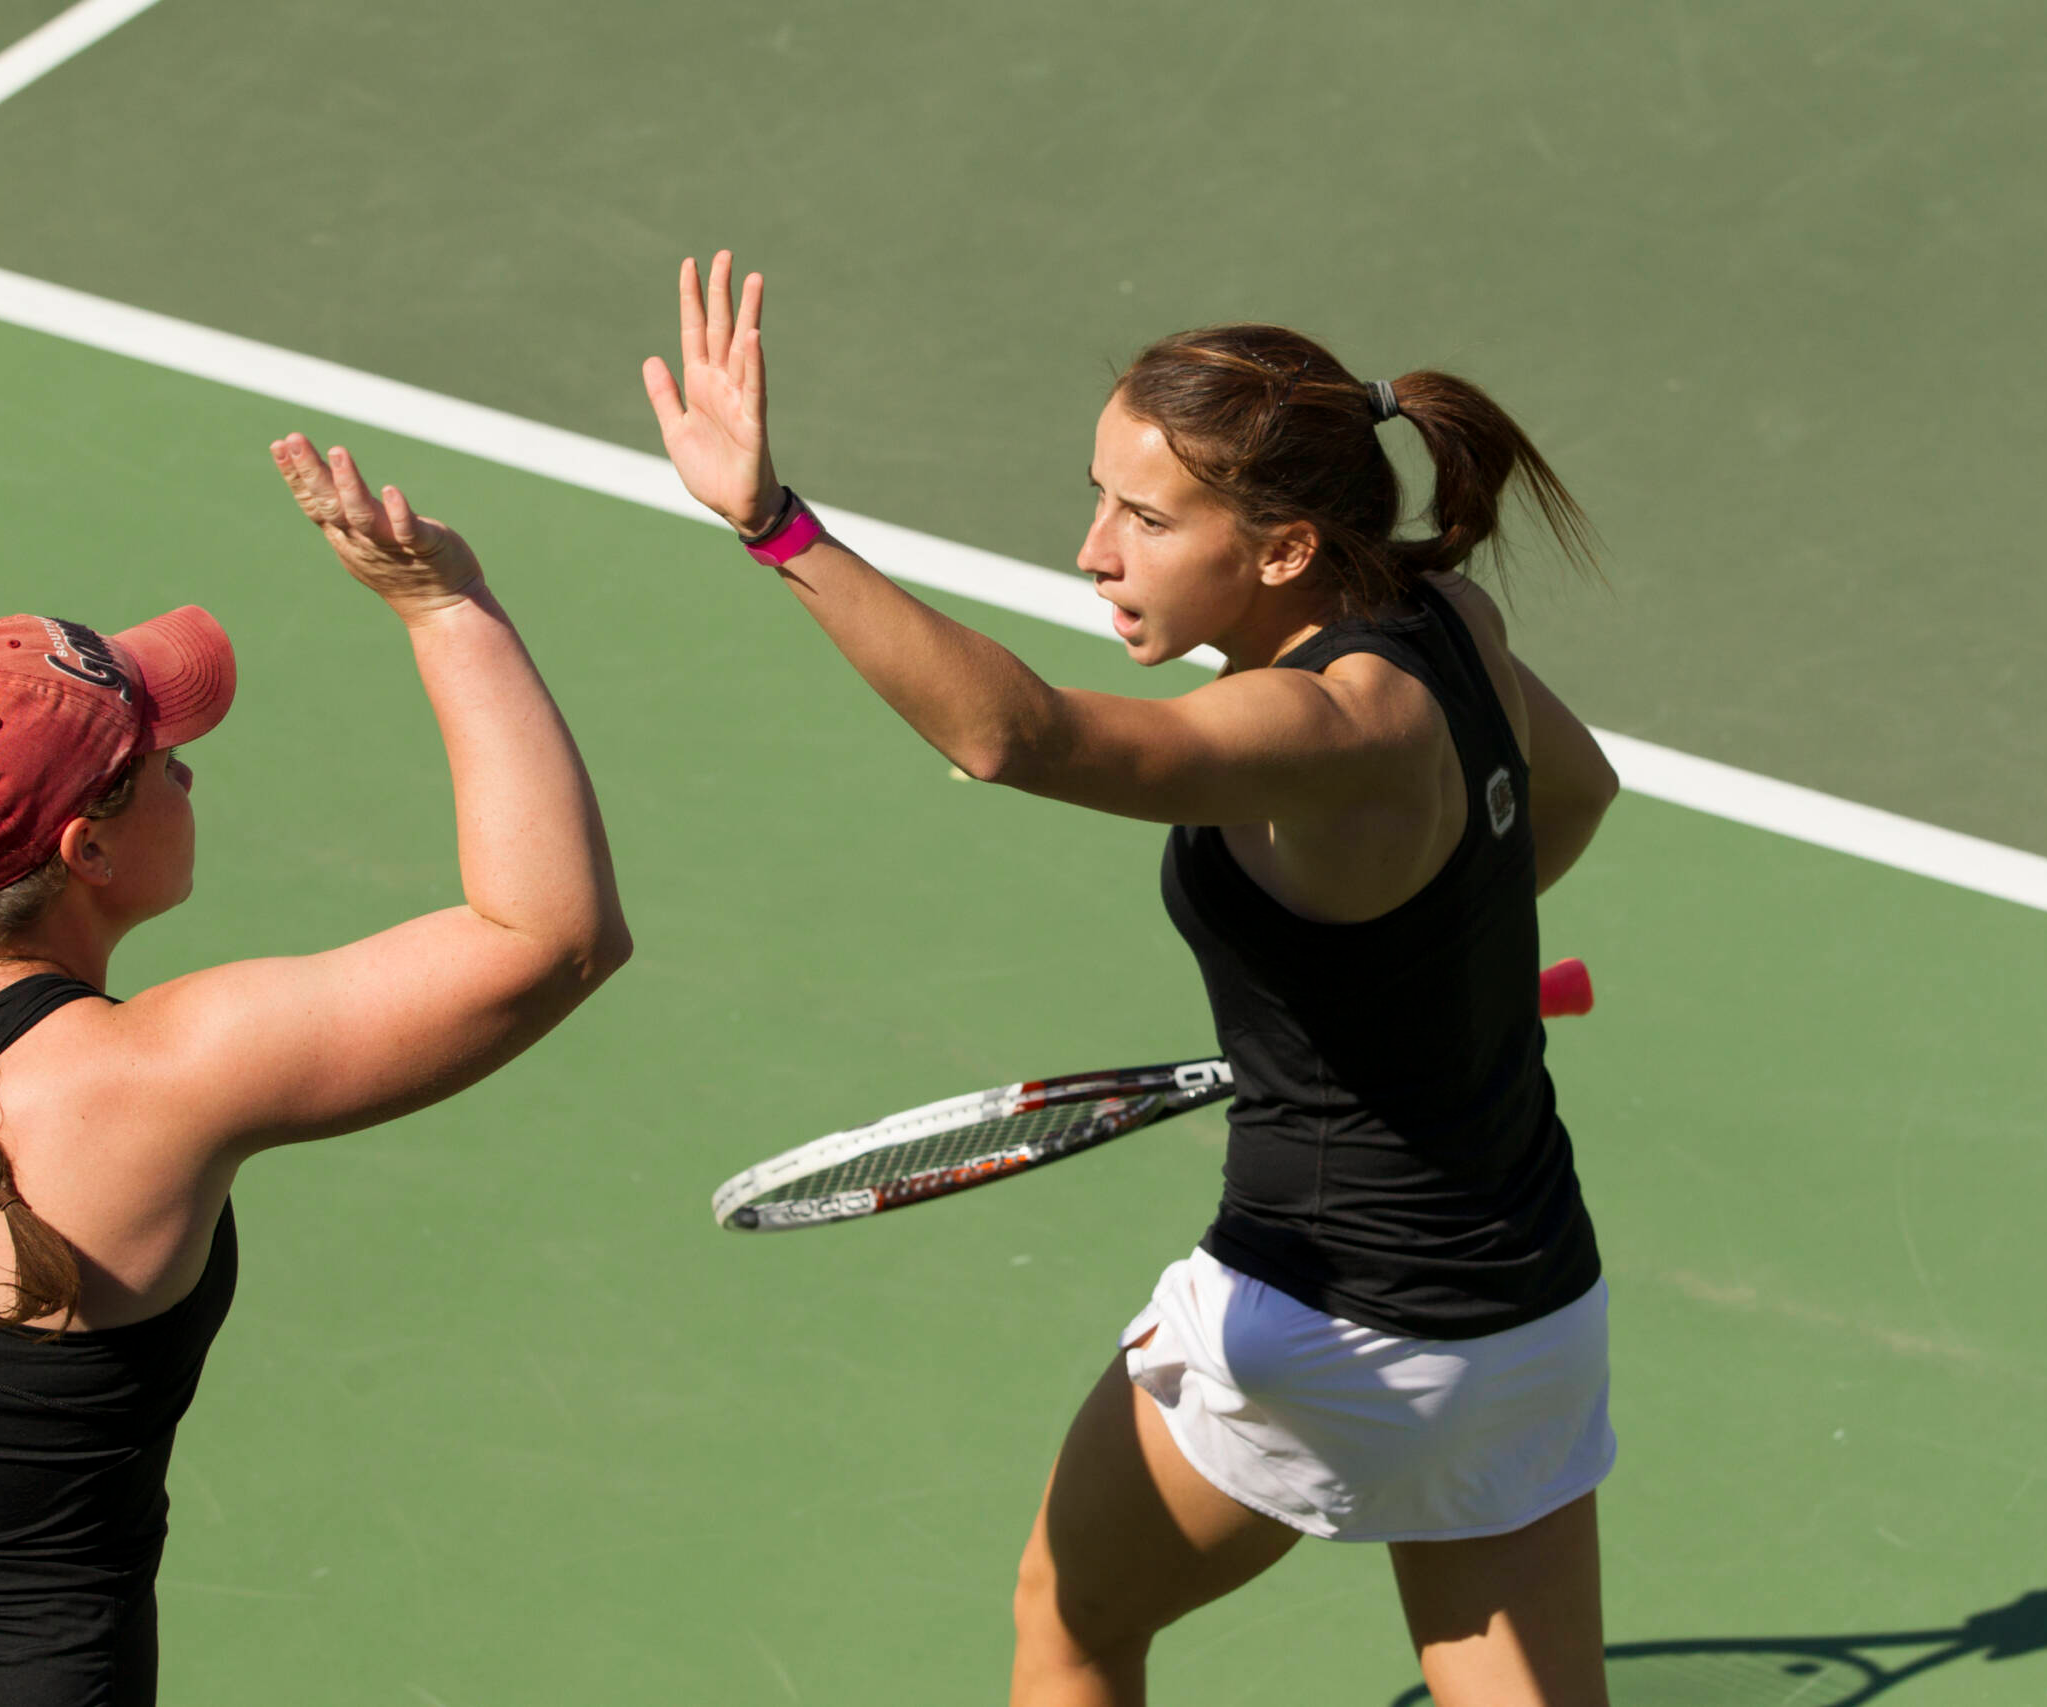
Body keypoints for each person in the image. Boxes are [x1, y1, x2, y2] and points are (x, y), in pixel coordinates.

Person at [648, 252, 1621, 1707]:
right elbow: (1580, 789)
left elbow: (1014, 736)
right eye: (1100, 496)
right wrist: (1407, 995)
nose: (1095, 549)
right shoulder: (1453, 629)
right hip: (1530, 1312)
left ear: (1285, 547)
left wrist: (775, 526)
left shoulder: (1312, 726)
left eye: (1148, 518)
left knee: (1074, 1622)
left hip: (1322, 1315)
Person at [0, 437, 633, 1703]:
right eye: (155, 758)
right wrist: (444, 606)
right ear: (90, 852)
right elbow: (547, 939)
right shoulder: (129, 1088)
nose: (187, 766)